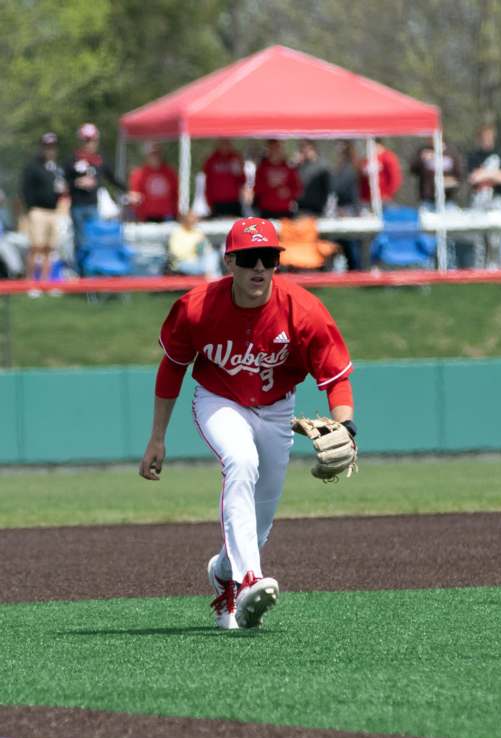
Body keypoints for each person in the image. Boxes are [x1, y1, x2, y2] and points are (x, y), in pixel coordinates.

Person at [139, 217, 356, 630]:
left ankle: (224, 573)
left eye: (268, 258)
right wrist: (157, 439)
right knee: (240, 461)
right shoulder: (196, 307)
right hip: (219, 400)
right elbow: (172, 369)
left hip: (277, 410)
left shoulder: (303, 310)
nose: (259, 267)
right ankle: (248, 580)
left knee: (260, 520)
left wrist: (347, 428)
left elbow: (335, 377)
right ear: (230, 263)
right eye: (248, 258)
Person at [64, 123, 125, 275]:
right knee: (80, 241)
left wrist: (127, 190)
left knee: (94, 241)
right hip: (78, 206)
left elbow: (112, 178)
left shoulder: (99, 160)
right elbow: (62, 182)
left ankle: (95, 273)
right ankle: (81, 274)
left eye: (92, 140)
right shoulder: (72, 159)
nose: (89, 144)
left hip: (93, 206)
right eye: (86, 140)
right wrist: (76, 183)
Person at [20, 132, 67, 293]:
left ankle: (46, 283)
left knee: (49, 248)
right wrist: (30, 208)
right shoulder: (33, 167)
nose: (50, 150)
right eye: (47, 147)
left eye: (52, 147)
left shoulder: (57, 168)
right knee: (36, 247)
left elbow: (61, 189)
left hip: (53, 211)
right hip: (38, 211)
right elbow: (25, 189)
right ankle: (30, 283)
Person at [467, 123, 501, 267]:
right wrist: (493, 175)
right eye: (484, 137)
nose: (487, 140)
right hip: (479, 200)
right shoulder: (474, 156)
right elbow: (473, 178)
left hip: (497, 200)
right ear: (480, 139)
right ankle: (479, 268)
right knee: (478, 235)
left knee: (498, 234)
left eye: (489, 137)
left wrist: (484, 174)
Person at [128, 142, 178, 222]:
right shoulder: (139, 174)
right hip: (146, 216)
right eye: (153, 154)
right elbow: (134, 196)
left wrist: (177, 213)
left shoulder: (170, 173)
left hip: (167, 216)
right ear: (147, 156)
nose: (155, 157)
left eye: (157, 154)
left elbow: (176, 195)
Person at [331, 140, 361, 270]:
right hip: (343, 207)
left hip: (349, 208)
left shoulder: (350, 167)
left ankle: (355, 269)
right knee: (342, 241)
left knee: (350, 242)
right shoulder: (342, 166)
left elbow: (340, 187)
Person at [253, 140, 302, 219]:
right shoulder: (262, 167)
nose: (276, 151)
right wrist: (270, 186)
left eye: (278, 148)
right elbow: (257, 189)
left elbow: (297, 189)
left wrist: (288, 192)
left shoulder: (289, 167)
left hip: (285, 210)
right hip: (266, 210)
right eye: (273, 148)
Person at [410, 139, 464, 207]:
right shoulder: (424, 151)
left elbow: (459, 175)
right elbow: (413, 170)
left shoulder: (452, 153)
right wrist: (421, 159)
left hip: (448, 198)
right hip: (427, 198)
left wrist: (448, 181)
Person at [167, 210, 220, 277]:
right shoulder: (177, 233)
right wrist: (194, 248)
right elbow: (175, 253)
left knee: (213, 255)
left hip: (199, 260)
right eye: (192, 218)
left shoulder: (198, 231)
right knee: (207, 269)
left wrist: (203, 247)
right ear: (185, 219)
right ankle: (213, 281)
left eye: (195, 219)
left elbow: (208, 248)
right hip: (182, 263)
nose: (194, 221)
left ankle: (212, 279)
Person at [203, 138, 245, 218]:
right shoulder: (212, 160)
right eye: (222, 143)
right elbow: (208, 182)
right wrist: (209, 202)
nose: (225, 146)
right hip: (217, 202)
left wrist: (239, 170)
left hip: (233, 201)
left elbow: (242, 180)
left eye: (227, 143)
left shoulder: (235, 158)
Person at [357, 138, 403, 207]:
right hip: (368, 198)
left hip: (383, 197)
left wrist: (388, 193)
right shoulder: (368, 159)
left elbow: (395, 178)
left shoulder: (388, 157)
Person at [296, 139, 331, 216]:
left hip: (317, 209)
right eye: (302, 148)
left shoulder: (322, 167)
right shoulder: (299, 166)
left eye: (307, 148)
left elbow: (328, 188)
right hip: (302, 207)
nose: (305, 151)